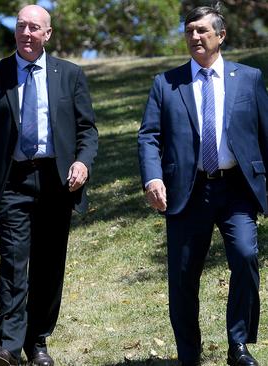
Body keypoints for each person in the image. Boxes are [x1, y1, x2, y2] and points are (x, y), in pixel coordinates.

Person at [138, 5, 267, 366]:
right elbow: (149, 136)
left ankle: (239, 345)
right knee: (182, 277)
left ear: (220, 35)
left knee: (245, 257)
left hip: (237, 190)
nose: (194, 36)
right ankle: (188, 355)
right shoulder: (166, 83)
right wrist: (152, 177)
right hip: (187, 192)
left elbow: (265, 133)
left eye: (202, 31)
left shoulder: (249, 78)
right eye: (189, 30)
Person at [0, 4, 98, 366]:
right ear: (15, 31)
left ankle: (37, 341)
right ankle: (7, 346)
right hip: (12, 181)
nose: (27, 33)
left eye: (34, 28)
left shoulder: (69, 74)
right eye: (21, 26)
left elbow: (87, 129)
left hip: (57, 182)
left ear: (48, 34)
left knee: (48, 265)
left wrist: (82, 162)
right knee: (13, 262)